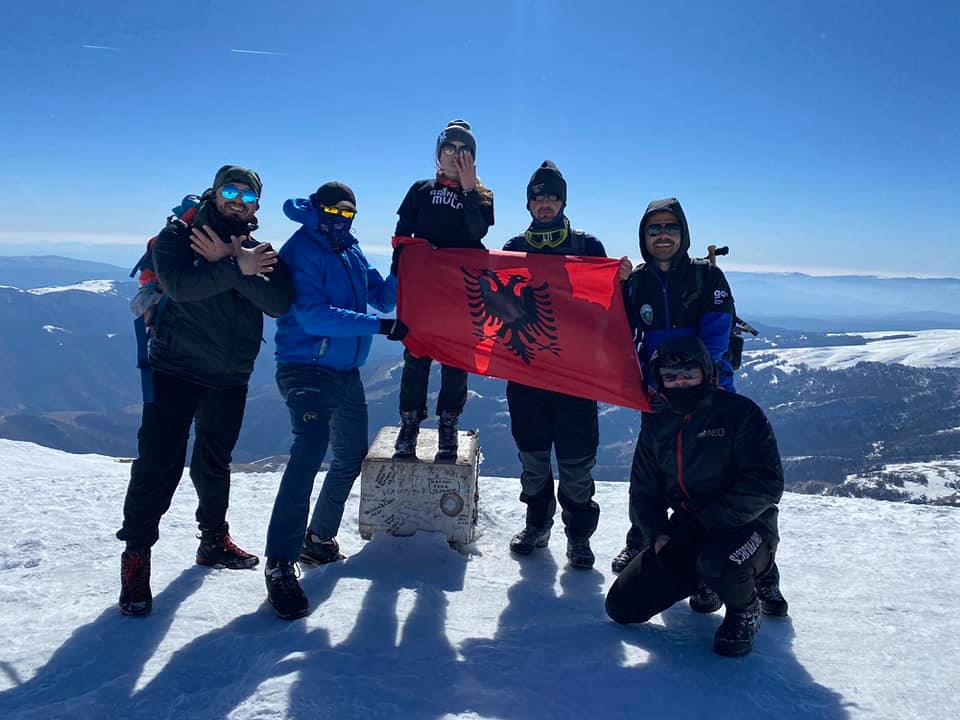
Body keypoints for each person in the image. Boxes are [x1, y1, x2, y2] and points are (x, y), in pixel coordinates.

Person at [117, 165, 294, 617]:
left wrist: (235, 264)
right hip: (175, 368)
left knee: (214, 462)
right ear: (214, 193)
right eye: (230, 191)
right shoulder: (180, 235)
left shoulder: (260, 249)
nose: (239, 200)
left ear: (257, 204)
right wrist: (238, 267)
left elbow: (279, 303)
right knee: (158, 462)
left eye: (248, 196)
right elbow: (179, 287)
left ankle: (213, 541)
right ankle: (136, 557)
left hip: (230, 376)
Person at [263, 181, 405, 620]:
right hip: (305, 366)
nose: (343, 219)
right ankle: (280, 564)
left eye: (350, 213)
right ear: (318, 208)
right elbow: (311, 313)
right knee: (308, 452)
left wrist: (403, 262)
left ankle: (318, 539)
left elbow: (382, 296)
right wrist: (380, 328)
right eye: (336, 211)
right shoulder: (303, 248)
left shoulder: (351, 250)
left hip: (344, 372)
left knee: (350, 456)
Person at [605, 336, 786, 657]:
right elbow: (644, 490)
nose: (680, 382)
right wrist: (657, 531)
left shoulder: (740, 413)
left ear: (706, 372)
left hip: (748, 526)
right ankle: (704, 579)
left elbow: (765, 484)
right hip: (689, 526)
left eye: (689, 373)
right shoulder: (657, 424)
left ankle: (745, 607)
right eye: (671, 377)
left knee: (720, 563)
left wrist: (708, 521)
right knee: (622, 607)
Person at [502, 161, 631, 569]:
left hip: (576, 377)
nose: (545, 203)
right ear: (528, 203)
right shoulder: (510, 248)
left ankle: (578, 537)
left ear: (563, 201)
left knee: (576, 469)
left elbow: (607, 305)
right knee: (534, 463)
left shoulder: (587, 247)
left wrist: (623, 280)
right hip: (527, 375)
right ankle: (537, 526)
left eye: (552, 196)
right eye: (538, 197)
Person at [611, 197, 737, 573]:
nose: (662, 235)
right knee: (649, 475)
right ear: (643, 236)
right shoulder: (635, 284)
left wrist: (683, 381)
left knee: (715, 477)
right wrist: (612, 284)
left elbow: (716, 339)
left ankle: (743, 565)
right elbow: (615, 329)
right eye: (654, 228)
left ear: (682, 233)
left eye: (670, 227)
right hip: (658, 394)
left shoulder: (706, 277)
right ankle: (641, 540)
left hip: (709, 394)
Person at [392, 119, 495, 460]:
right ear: (438, 153)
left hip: (459, 293)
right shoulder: (420, 190)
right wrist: (399, 280)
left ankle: (448, 423)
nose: (454, 155)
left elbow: (476, 231)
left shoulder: (482, 196)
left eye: (463, 151)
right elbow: (402, 236)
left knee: (456, 359)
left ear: (473, 158)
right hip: (422, 293)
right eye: (448, 149)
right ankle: (410, 424)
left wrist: (468, 189)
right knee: (416, 357)